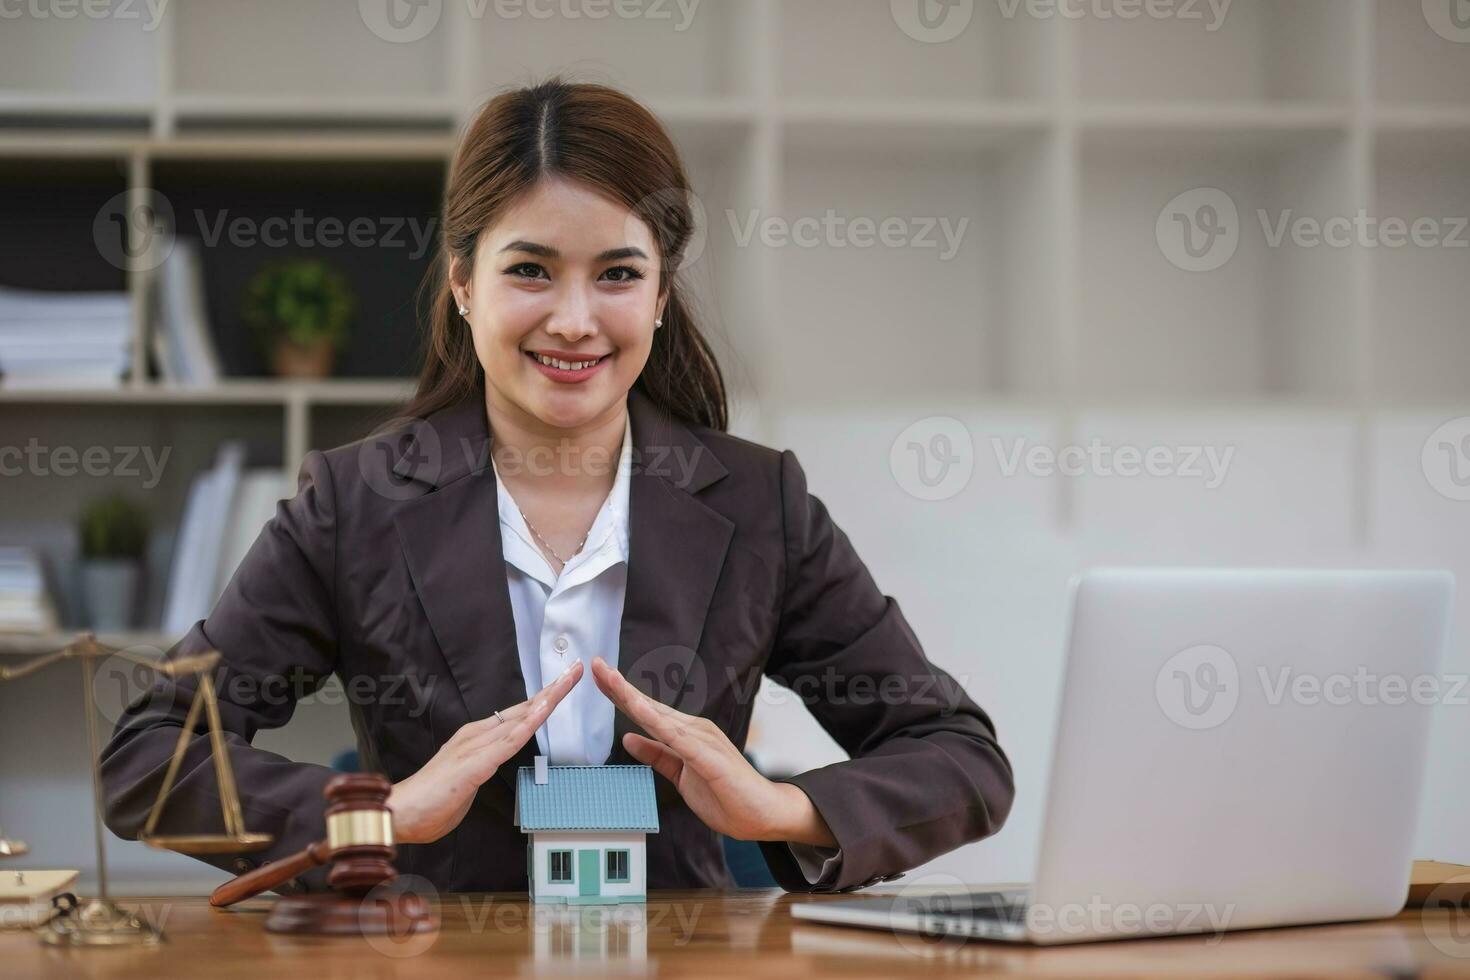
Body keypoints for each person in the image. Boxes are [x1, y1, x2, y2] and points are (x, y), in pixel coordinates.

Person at [101, 77, 1014, 895]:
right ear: (463, 284)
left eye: (618, 274)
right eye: (530, 270)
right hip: (427, 963)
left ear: (661, 294)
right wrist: (378, 813)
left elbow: (960, 757)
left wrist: (776, 809)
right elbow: (148, 757)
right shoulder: (357, 502)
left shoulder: (756, 503)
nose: (574, 321)